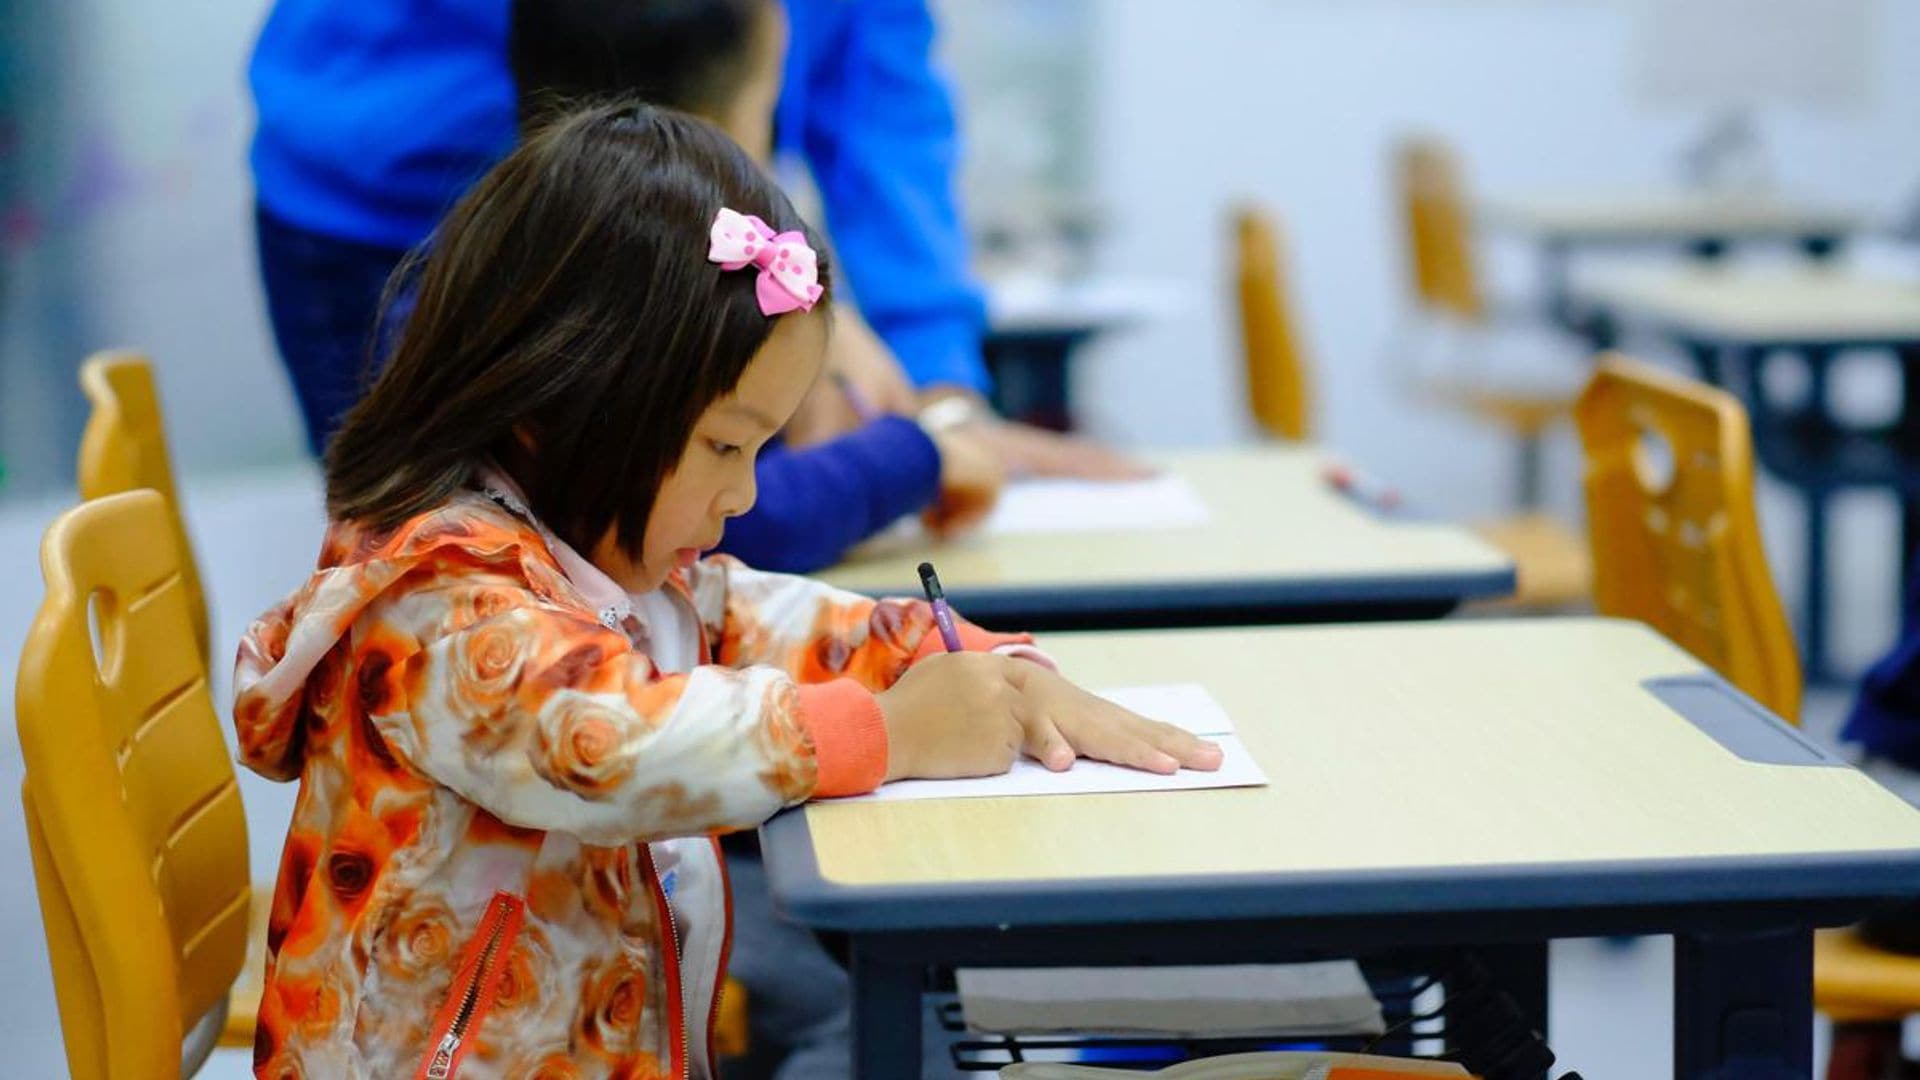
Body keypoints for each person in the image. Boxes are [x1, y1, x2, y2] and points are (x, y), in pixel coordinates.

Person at [233, 105, 1219, 1078]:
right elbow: (617, 743)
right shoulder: (443, 604)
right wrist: (894, 733)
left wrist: (964, 657)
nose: (744, 492)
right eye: (724, 445)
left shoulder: (597, 563)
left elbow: (760, 619)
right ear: (565, 400)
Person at [248, 0, 1137, 478]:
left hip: (655, 184)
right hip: (406, 200)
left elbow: (876, 87)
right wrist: (906, 451)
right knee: (482, 576)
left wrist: (939, 392)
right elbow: (632, 66)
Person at [510, 0, 1003, 573]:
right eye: (768, 117)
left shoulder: (502, 255)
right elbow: (733, 528)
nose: (738, 492)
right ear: (717, 131)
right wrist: (920, 456)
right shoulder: (627, 305)